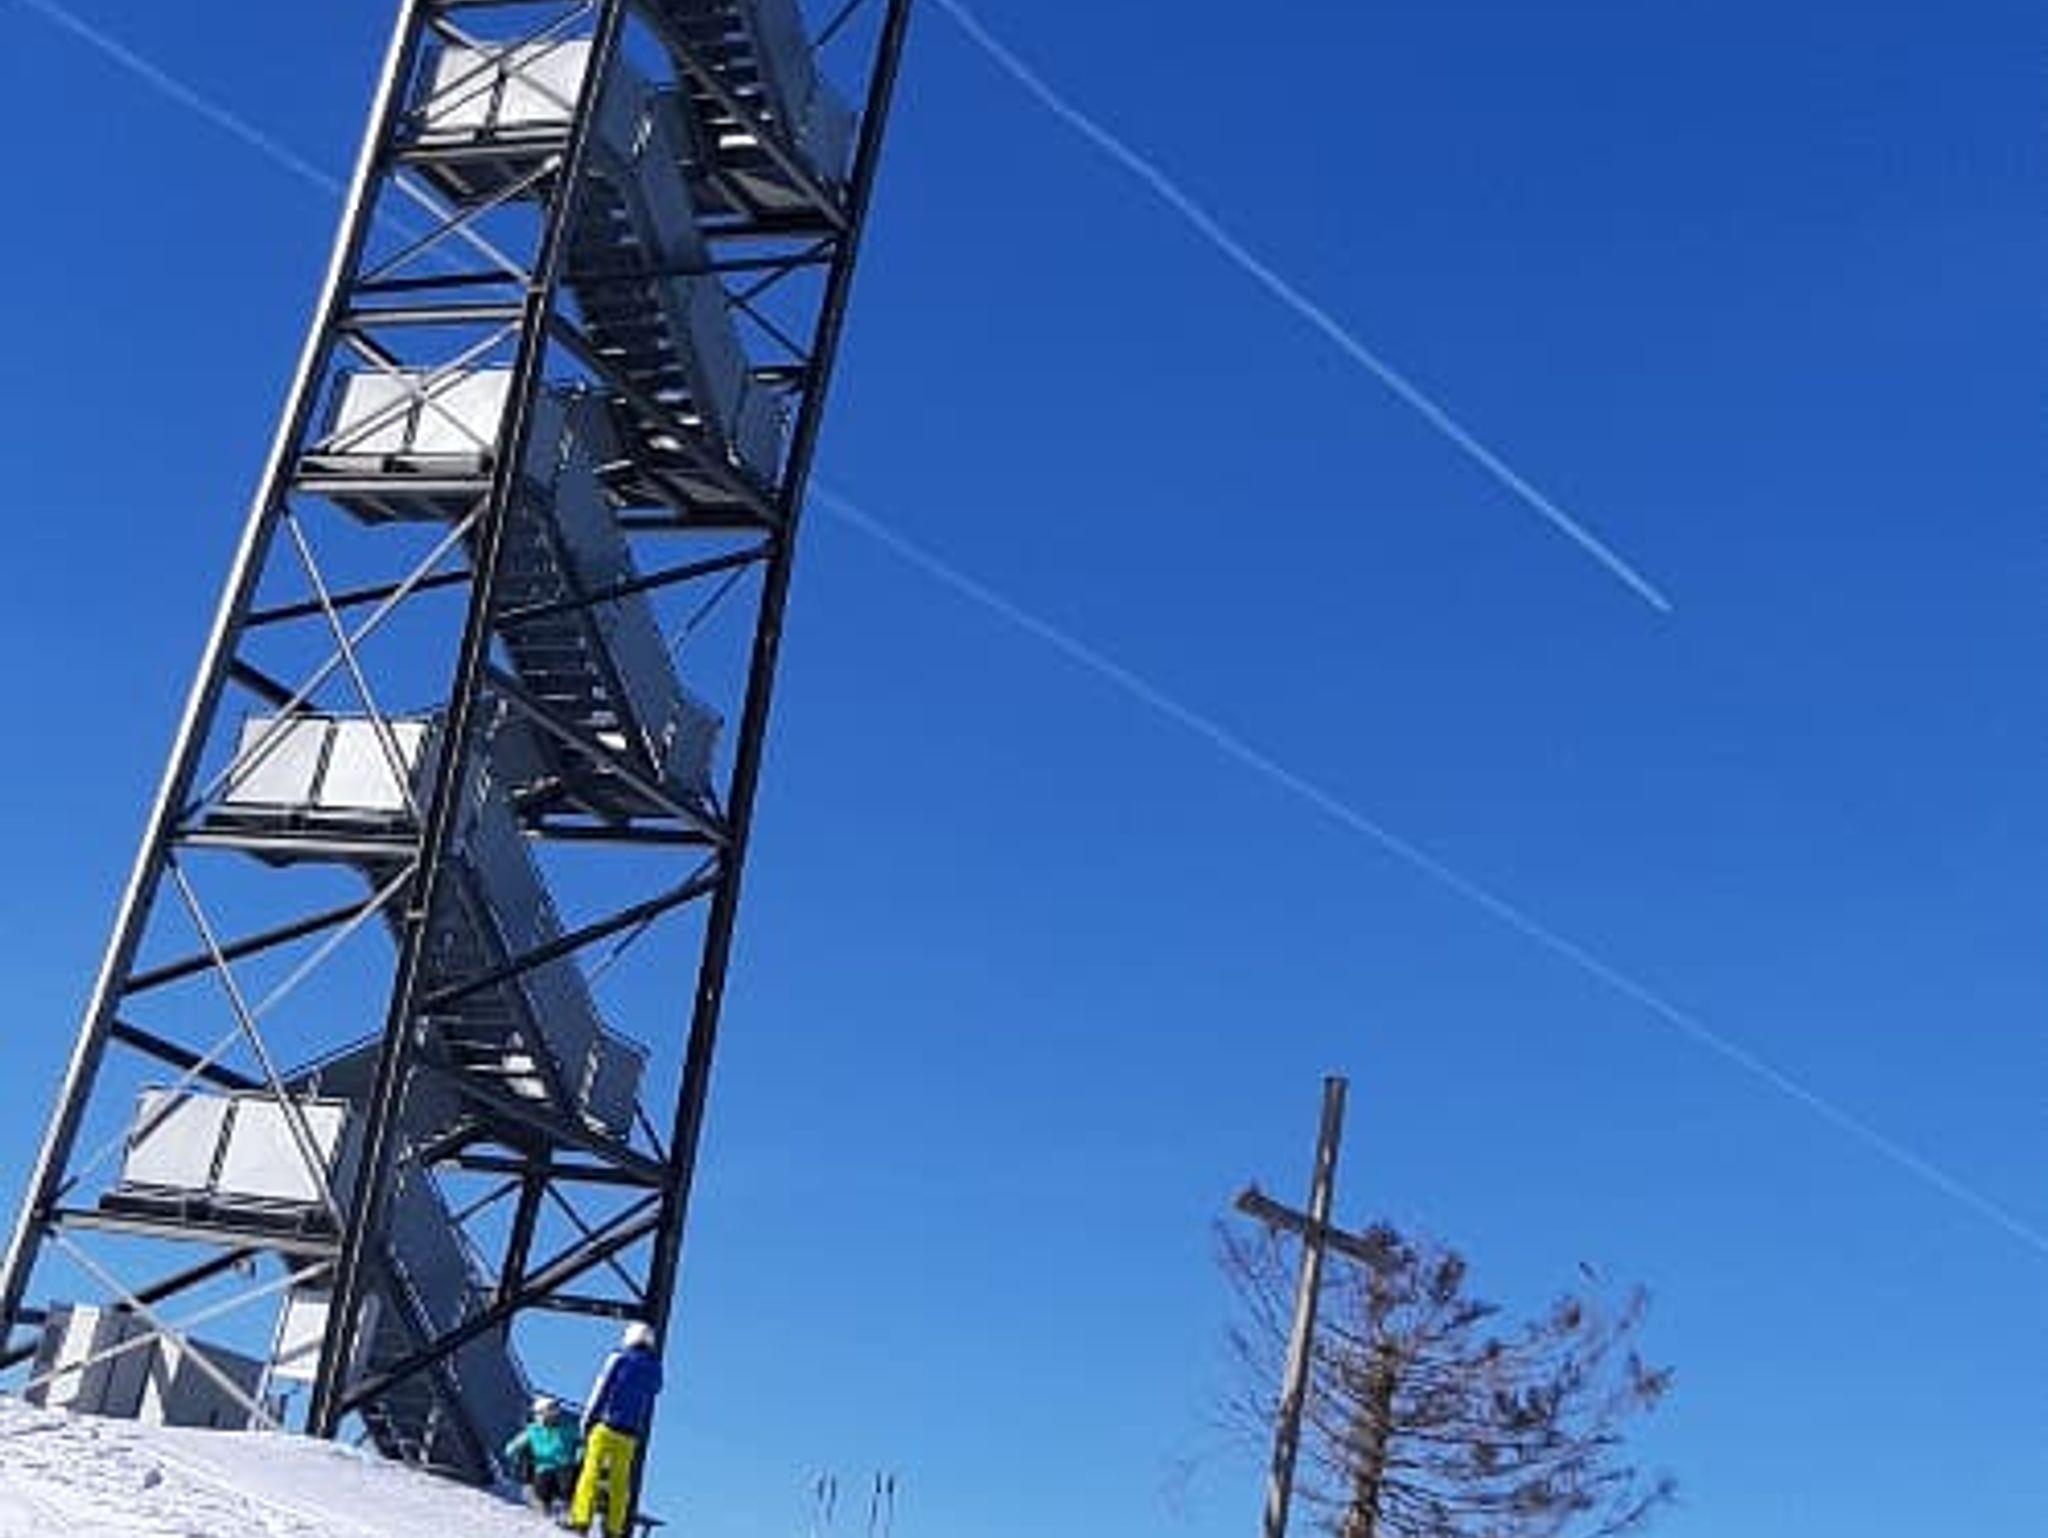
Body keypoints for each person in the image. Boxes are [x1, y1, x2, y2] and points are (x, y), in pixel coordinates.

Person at [569, 1321, 664, 1538]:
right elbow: (655, 1390)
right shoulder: (654, 1368)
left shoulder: (619, 1358)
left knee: (591, 1472)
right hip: (631, 1433)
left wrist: (587, 1421)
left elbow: (601, 1389)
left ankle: (581, 1520)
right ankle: (614, 1528)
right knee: (620, 1482)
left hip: (607, 1425)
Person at [504, 1395, 581, 1518]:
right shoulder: (533, 1430)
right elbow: (516, 1443)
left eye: (553, 1414)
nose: (550, 1418)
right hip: (543, 1466)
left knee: (565, 1481)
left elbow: (579, 1442)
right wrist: (511, 1451)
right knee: (543, 1483)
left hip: (564, 1465)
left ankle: (565, 1506)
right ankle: (544, 1505)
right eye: (545, 1414)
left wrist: (579, 1455)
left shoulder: (567, 1428)